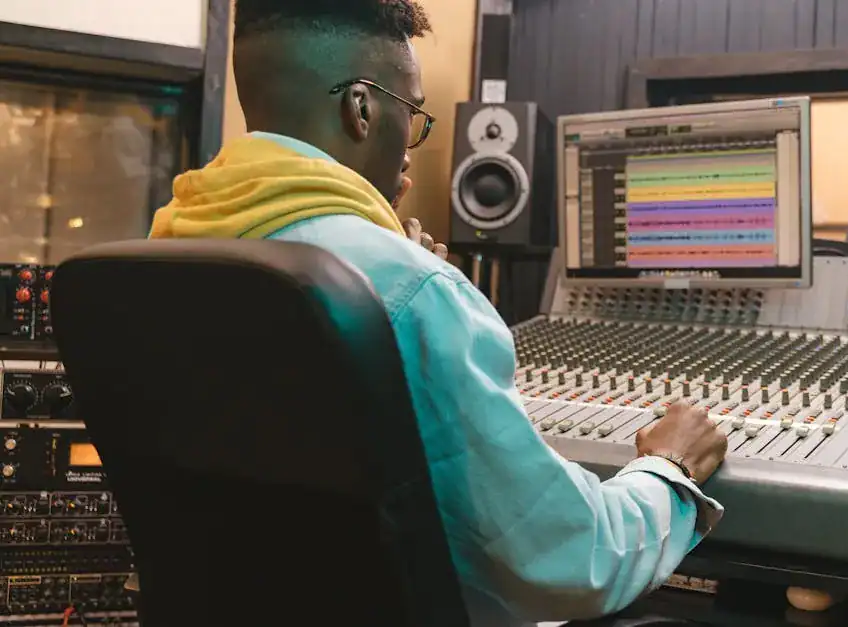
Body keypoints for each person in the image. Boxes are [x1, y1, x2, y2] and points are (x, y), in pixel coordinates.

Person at [146, 1, 728, 625]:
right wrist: (667, 470)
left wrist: (377, 239)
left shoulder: (167, 254)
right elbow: (571, 560)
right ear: (362, 110)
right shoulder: (406, 289)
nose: (412, 144)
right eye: (414, 115)